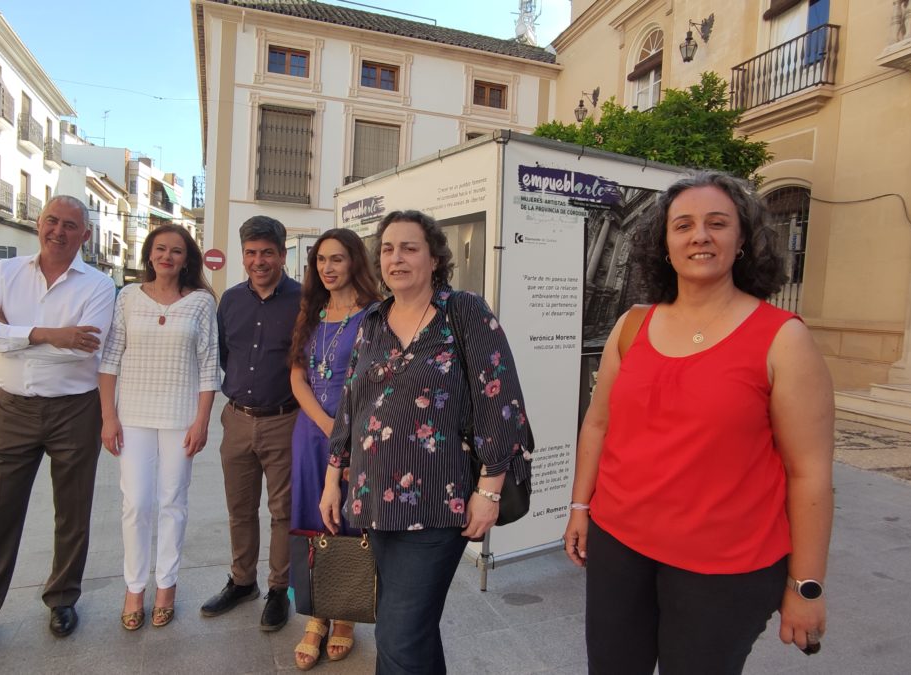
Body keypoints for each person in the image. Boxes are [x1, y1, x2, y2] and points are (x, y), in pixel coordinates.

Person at [563, 171, 834, 674]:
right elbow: (598, 424)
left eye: (717, 223)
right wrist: (581, 506)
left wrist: (806, 584)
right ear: (665, 244)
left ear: (743, 240)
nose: (699, 236)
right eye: (682, 225)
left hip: (726, 566)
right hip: (620, 546)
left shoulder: (782, 338)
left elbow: (810, 473)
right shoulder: (633, 325)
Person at [319, 210, 532, 674]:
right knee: (410, 626)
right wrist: (333, 479)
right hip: (375, 499)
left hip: (440, 500)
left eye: (410, 248)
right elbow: (351, 405)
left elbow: (501, 400)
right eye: (389, 249)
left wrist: (489, 490)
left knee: (399, 630)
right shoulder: (373, 320)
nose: (397, 258)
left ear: (434, 258)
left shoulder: (463, 311)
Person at [0, 195, 116, 670]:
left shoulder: (99, 285)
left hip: (75, 411)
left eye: (71, 225)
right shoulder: (2, 274)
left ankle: (63, 598)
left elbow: (85, 351)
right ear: (40, 224)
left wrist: (13, 332)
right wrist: (45, 334)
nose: (58, 231)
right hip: (11, 409)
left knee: (72, 511)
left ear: (85, 235)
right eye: (52, 222)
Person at [98, 224, 220, 630]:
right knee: (135, 503)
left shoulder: (201, 302)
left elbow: (208, 365)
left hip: (180, 417)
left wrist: (202, 420)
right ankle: (135, 586)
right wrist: (108, 416)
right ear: (149, 254)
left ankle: (166, 584)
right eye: (161, 249)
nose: (168, 256)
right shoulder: (129, 297)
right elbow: (111, 356)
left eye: (177, 251)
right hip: (131, 416)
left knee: (173, 502)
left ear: (188, 259)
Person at [200, 215, 301, 632]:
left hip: (285, 420)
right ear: (244, 256)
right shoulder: (231, 300)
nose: (259, 261)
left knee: (283, 512)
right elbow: (225, 353)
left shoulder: (304, 299)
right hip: (238, 419)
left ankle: (279, 589)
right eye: (251, 253)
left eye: (267, 253)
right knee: (240, 509)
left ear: (281, 254)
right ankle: (243, 582)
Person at [287, 229, 383, 670]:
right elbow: (297, 376)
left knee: (345, 520)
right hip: (311, 434)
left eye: (337, 259)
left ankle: (345, 613)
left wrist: (342, 434)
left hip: (357, 431)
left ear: (355, 263)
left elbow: (377, 382)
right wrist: (326, 426)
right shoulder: (311, 309)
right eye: (321, 260)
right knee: (311, 517)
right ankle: (317, 613)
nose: (328, 268)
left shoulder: (375, 314)